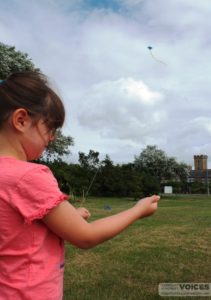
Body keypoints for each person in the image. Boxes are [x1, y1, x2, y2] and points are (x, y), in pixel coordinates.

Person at [0, 71, 160, 300]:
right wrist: (138, 210)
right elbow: (86, 236)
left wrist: (69, 216)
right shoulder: (29, 176)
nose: (52, 138)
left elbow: (15, 230)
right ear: (21, 120)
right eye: (50, 128)